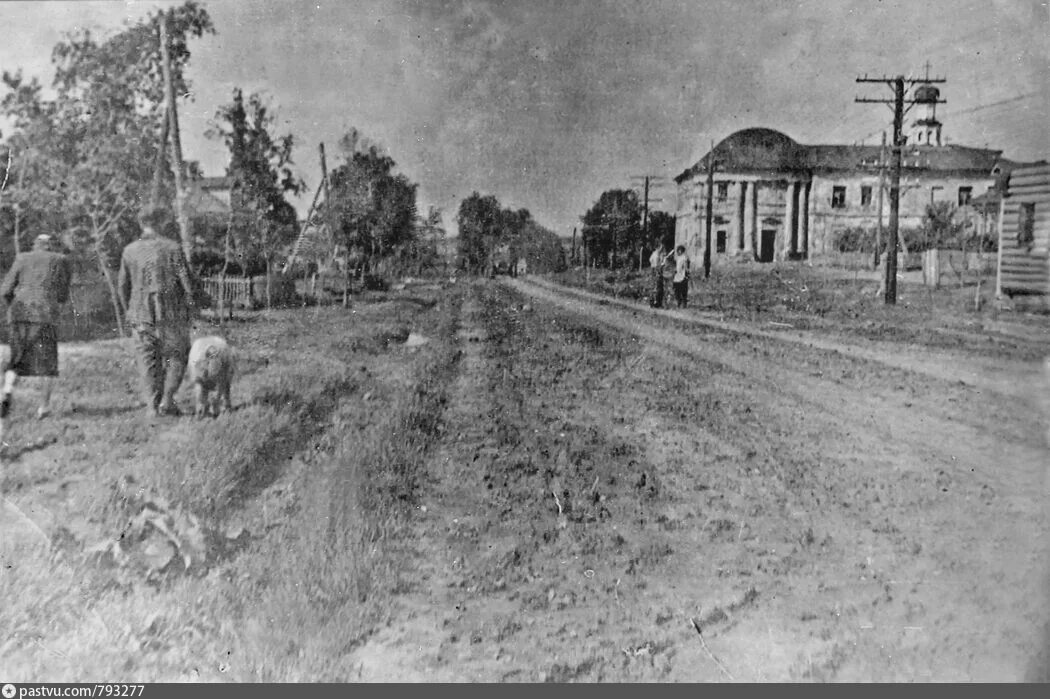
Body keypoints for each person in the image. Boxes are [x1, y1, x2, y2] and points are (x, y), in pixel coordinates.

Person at [118, 206, 197, 417]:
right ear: (160, 223)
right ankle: (167, 400)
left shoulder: (129, 250)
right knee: (178, 355)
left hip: (140, 314)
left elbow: (122, 286)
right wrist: (190, 308)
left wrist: (129, 312)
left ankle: (152, 407)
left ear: (141, 224)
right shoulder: (173, 248)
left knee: (146, 359)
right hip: (171, 313)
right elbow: (188, 284)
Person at [0, 234, 74, 438]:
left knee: (16, 360)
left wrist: (13, 309)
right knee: (47, 364)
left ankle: (6, 391)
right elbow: (62, 295)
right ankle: (44, 407)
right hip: (44, 316)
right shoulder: (60, 260)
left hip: (19, 313)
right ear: (51, 246)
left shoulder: (22, 258)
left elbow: (5, 290)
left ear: (35, 245)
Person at [648, 244, 671, 308]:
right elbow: (657, 265)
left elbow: (650, 260)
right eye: (661, 248)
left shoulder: (654, 254)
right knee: (658, 288)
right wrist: (662, 264)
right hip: (657, 271)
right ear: (658, 248)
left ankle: (653, 303)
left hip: (654, 271)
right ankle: (656, 303)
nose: (662, 249)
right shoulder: (657, 255)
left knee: (655, 287)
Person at [671, 245, 691, 309]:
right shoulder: (678, 258)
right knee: (676, 289)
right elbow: (677, 267)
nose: (678, 252)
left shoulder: (684, 258)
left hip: (682, 276)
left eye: (679, 250)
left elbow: (685, 267)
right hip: (677, 276)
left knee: (683, 291)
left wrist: (687, 273)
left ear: (681, 251)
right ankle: (679, 302)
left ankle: (683, 304)